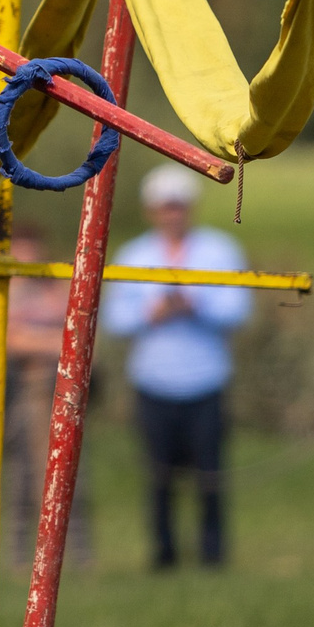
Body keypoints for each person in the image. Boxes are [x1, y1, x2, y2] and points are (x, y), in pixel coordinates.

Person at [100, 167, 253, 569]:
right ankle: (163, 555)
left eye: (179, 206)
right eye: (165, 207)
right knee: (159, 477)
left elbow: (238, 309)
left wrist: (195, 306)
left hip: (206, 380)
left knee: (210, 476)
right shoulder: (133, 255)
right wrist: (153, 312)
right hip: (153, 382)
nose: (173, 214)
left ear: (191, 208)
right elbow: (114, 319)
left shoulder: (220, 251)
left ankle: (213, 556)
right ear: (151, 211)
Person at [2, 224, 91, 565]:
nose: (27, 254)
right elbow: (9, 340)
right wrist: (57, 343)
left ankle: (79, 557)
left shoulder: (58, 285)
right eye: (20, 247)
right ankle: (19, 558)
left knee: (73, 476)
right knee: (24, 479)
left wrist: (39, 340)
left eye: (31, 246)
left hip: (64, 392)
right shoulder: (4, 288)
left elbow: (84, 335)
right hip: (23, 393)